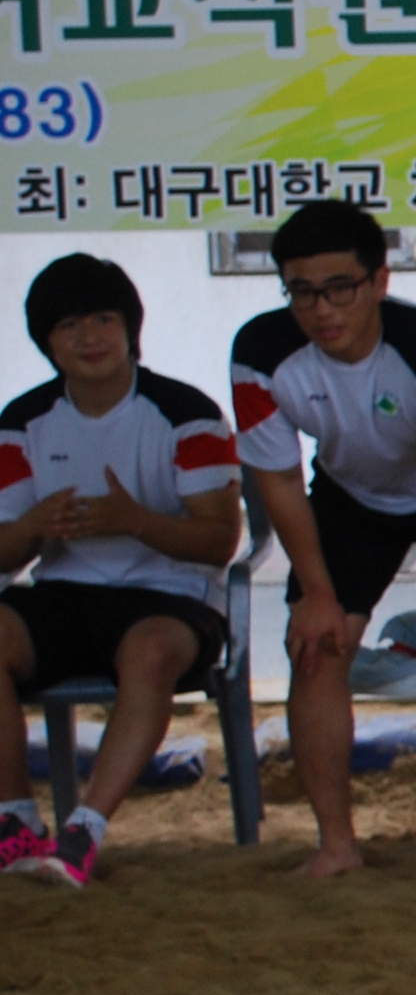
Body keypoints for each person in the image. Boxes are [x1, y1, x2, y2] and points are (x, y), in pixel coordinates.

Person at [231, 202, 416, 877]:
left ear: (380, 282)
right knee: (315, 648)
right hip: (350, 492)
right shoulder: (260, 354)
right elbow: (279, 480)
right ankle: (337, 844)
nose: (322, 309)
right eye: (302, 292)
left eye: (341, 288)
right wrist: (317, 594)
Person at [0, 255, 246, 887]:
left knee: (149, 650)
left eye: (104, 320)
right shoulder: (20, 423)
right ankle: (15, 822)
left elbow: (220, 541)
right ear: (46, 341)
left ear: (131, 328)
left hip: (171, 595)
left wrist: (135, 521)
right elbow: (6, 553)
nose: (90, 338)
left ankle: (84, 831)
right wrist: (32, 528)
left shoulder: (186, 413)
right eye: (69, 325)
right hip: (63, 593)